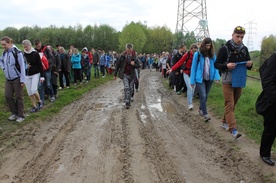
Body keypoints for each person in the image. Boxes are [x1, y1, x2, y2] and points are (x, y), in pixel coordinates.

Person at [215, 26, 252, 139]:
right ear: (232, 35)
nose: (239, 39)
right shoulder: (224, 49)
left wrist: (250, 64)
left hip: (239, 80)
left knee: (232, 104)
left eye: (242, 37)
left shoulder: (244, 49)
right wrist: (226, 66)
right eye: (237, 36)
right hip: (228, 81)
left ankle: (224, 121)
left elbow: (249, 64)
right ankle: (233, 130)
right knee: (230, 104)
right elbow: (216, 64)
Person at [190, 37, 220, 122]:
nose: (208, 47)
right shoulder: (198, 54)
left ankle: (200, 109)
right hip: (200, 79)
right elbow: (193, 68)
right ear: (203, 45)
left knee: (205, 96)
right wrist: (192, 81)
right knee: (202, 95)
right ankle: (206, 114)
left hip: (209, 78)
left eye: (209, 45)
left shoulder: (212, 55)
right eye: (206, 45)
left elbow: (216, 67)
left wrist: (216, 77)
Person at [256, 53, 276, 166]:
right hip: (273, 102)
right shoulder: (274, 58)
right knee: (271, 128)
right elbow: (267, 81)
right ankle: (265, 153)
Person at [0, 36, 26, 122]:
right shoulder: (4, 53)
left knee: (19, 97)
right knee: (8, 96)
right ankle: (14, 113)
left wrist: (23, 80)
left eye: (4, 44)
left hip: (17, 78)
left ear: (10, 43)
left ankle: (21, 115)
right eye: (2, 45)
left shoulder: (17, 52)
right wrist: (3, 68)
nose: (3, 46)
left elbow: (22, 67)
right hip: (8, 79)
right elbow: (1, 61)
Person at [168, 44, 198, 110]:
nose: (194, 51)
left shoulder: (198, 56)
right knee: (190, 87)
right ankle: (190, 104)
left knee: (193, 89)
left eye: (196, 50)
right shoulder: (187, 54)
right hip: (186, 73)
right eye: (193, 50)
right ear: (191, 49)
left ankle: (190, 100)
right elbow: (180, 62)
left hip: (194, 74)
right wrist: (172, 69)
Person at [114, 43, 141, 109]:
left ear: (131, 49)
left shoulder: (135, 57)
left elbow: (139, 65)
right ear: (126, 49)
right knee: (126, 87)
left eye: (130, 49)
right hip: (125, 74)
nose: (129, 50)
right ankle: (127, 101)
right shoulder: (122, 56)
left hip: (132, 75)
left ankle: (128, 98)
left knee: (131, 88)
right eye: (128, 49)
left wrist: (134, 64)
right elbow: (117, 65)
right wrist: (115, 74)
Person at [22, 40, 44, 112]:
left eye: (27, 47)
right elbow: (21, 65)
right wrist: (25, 66)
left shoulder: (35, 53)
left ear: (30, 45)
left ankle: (40, 101)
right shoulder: (23, 54)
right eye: (24, 47)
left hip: (35, 73)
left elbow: (40, 65)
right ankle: (34, 107)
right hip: (27, 75)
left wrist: (42, 76)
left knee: (33, 90)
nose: (26, 48)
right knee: (29, 92)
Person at [34, 39, 56, 103]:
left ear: (40, 43)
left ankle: (52, 95)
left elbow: (52, 58)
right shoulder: (35, 51)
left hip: (47, 69)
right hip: (40, 71)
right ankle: (41, 99)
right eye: (36, 46)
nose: (38, 47)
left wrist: (45, 60)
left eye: (38, 45)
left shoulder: (46, 49)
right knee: (40, 85)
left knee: (48, 84)